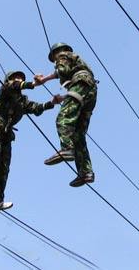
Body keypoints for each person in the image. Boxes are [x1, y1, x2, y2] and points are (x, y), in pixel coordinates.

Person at [0, 70, 61, 211]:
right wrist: (33, 84)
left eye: (21, 78)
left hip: (6, 134)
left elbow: (36, 108)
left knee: (4, 167)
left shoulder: (22, 101)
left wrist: (52, 103)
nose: (19, 79)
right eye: (17, 77)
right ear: (10, 79)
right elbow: (14, 85)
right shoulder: (6, 89)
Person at [34, 43, 97, 187]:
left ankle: (67, 149)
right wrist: (62, 98)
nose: (56, 60)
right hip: (89, 90)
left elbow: (63, 70)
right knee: (78, 134)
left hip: (81, 83)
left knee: (63, 118)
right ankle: (86, 172)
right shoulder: (76, 61)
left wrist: (44, 79)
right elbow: (78, 87)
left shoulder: (63, 56)